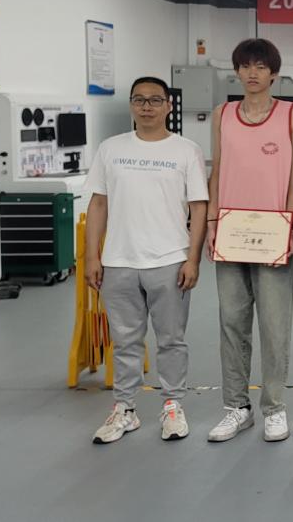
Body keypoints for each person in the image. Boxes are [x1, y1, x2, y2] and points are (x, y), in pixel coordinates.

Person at [84, 77, 208, 444]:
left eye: (155, 100)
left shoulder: (186, 150)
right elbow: (98, 203)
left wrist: (193, 258)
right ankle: (125, 408)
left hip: (170, 260)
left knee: (171, 340)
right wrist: (92, 255)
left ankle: (172, 405)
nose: (147, 106)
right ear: (131, 105)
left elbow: (199, 207)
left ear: (169, 105)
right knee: (125, 341)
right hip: (119, 260)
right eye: (139, 100)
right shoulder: (111, 149)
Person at [205, 38, 293, 443]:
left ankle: (275, 407)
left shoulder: (292, 114)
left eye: (260, 66)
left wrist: (291, 225)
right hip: (231, 233)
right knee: (232, 323)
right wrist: (212, 222)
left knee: (274, 325)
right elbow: (217, 171)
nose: (252, 73)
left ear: (274, 74)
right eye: (245, 66)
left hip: (273, 235)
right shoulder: (222, 114)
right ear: (237, 71)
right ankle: (236, 407)